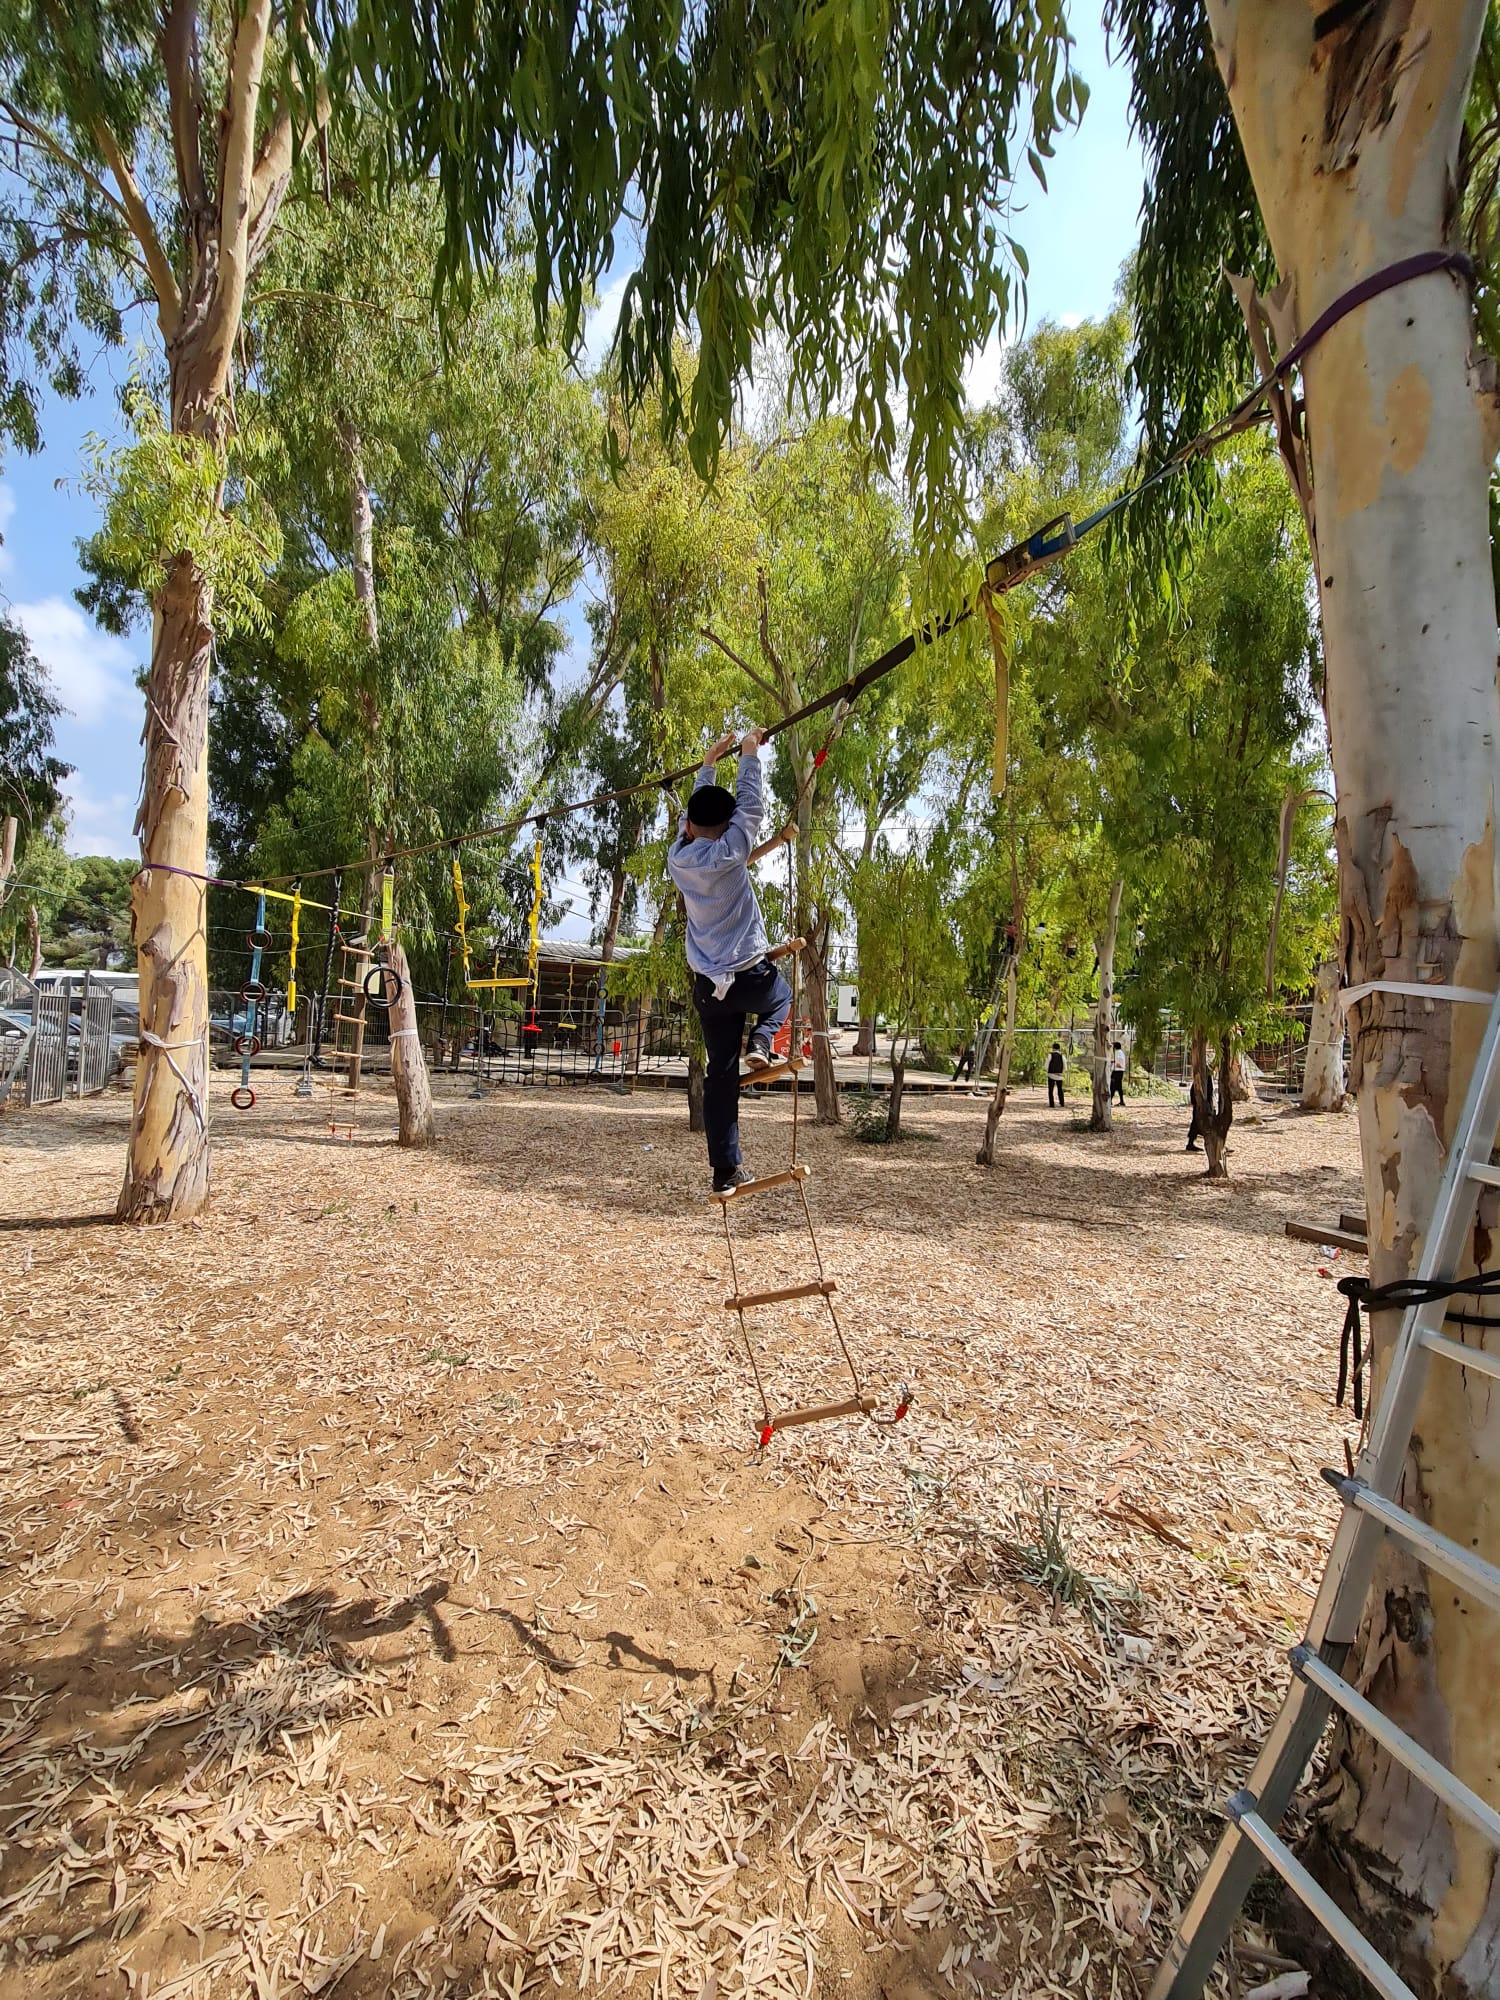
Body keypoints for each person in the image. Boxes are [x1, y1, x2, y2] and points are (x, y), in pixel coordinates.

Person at [667, 726, 792, 1193]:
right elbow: (751, 805)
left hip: (709, 989)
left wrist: (708, 764)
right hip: (749, 977)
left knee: (720, 1076)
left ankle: (725, 1171)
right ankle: (761, 1039)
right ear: (729, 826)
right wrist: (749, 755)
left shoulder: (678, 858)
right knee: (782, 996)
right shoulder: (733, 852)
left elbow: (697, 817)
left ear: (689, 828)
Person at [1046, 1041, 1066, 1108]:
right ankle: (1062, 1103)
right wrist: (1062, 1071)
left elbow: (1046, 1064)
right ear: (1059, 1048)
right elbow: (1065, 1066)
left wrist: (1048, 1071)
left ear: (1053, 1048)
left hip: (1051, 1074)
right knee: (1060, 1089)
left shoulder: (1050, 1055)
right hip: (1059, 1075)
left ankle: (1052, 1104)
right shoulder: (1062, 1056)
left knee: (1050, 1090)